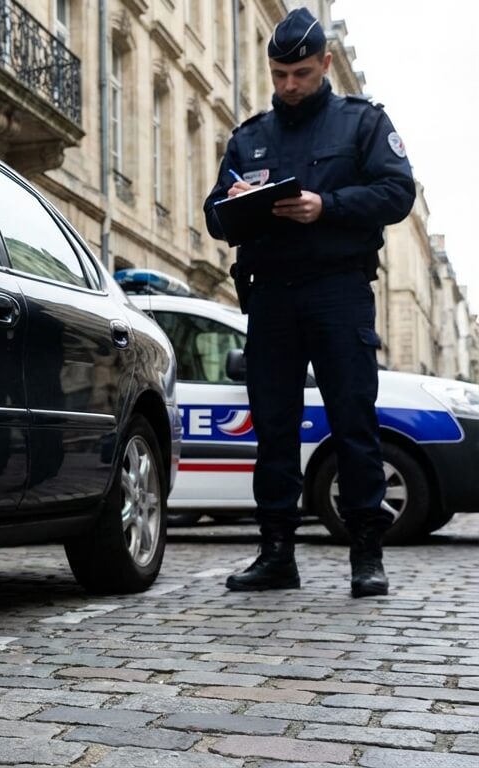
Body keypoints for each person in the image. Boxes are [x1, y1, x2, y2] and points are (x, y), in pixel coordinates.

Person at [203, 7, 415, 597]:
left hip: (338, 291)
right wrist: (236, 201)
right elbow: (215, 217)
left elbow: (398, 192)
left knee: (353, 421)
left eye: (300, 73)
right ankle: (276, 554)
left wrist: (327, 206)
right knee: (273, 427)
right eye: (279, 74)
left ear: (325, 63)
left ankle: (366, 554)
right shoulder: (249, 137)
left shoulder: (362, 123)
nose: (289, 85)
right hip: (271, 294)